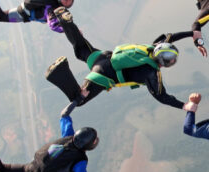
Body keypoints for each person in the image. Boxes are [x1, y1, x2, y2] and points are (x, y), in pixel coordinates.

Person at [45, 8, 191, 115]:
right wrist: (184, 106)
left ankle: (66, 22)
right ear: (163, 62)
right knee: (79, 99)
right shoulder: (151, 72)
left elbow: (169, 37)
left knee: (81, 48)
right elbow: (162, 97)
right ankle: (59, 72)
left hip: (103, 56)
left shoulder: (152, 47)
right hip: (104, 75)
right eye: (171, 61)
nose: (172, 63)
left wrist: (192, 34)